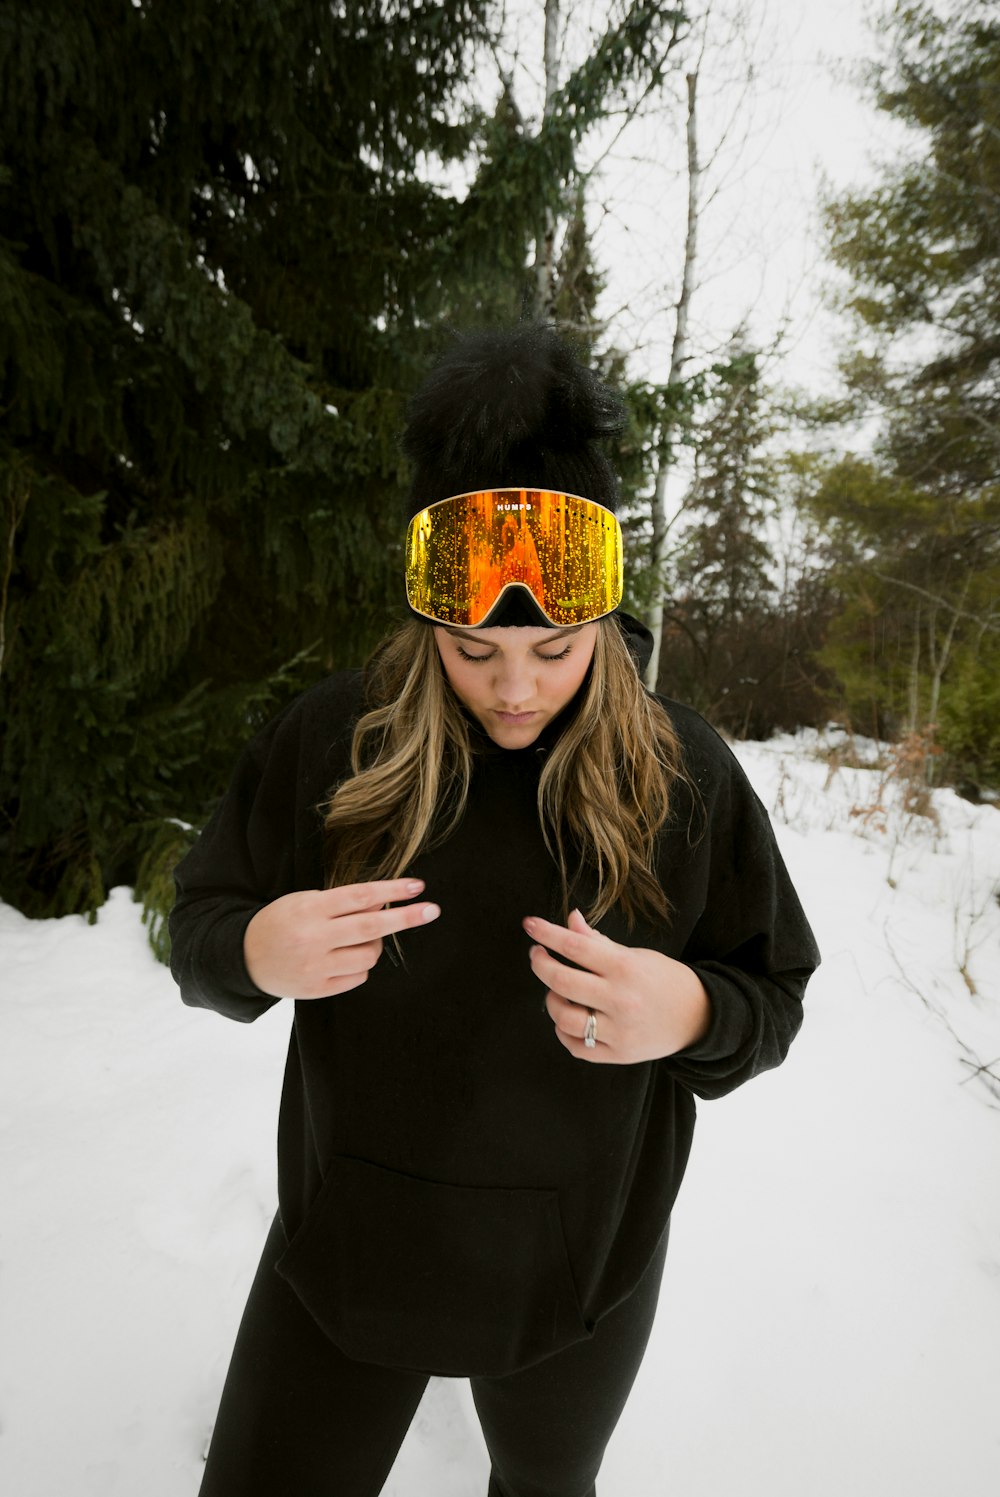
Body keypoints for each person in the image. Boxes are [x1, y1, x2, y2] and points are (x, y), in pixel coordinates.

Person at [169, 324, 820, 1497]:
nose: (514, 690)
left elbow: (769, 997)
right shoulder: (335, 739)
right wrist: (256, 946)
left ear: (603, 622)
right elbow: (202, 922)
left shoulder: (686, 775)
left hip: (578, 1272)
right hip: (346, 1253)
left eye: (554, 648)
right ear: (430, 622)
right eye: (474, 649)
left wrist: (686, 1013)